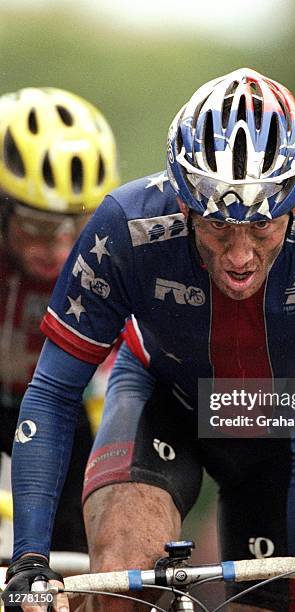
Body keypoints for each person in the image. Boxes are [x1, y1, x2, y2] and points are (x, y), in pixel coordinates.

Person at [2, 70, 295, 612]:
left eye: (262, 228)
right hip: (162, 400)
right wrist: (30, 561)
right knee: (121, 585)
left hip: (287, 422)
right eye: (218, 228)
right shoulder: (125, 227)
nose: (239, 255)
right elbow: (55, 394)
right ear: (183, 205)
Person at [0, 87, 119, 555]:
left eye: (78, 225)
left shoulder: (103, 261)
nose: (60, 248)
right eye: (40, 226)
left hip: (58, 411)